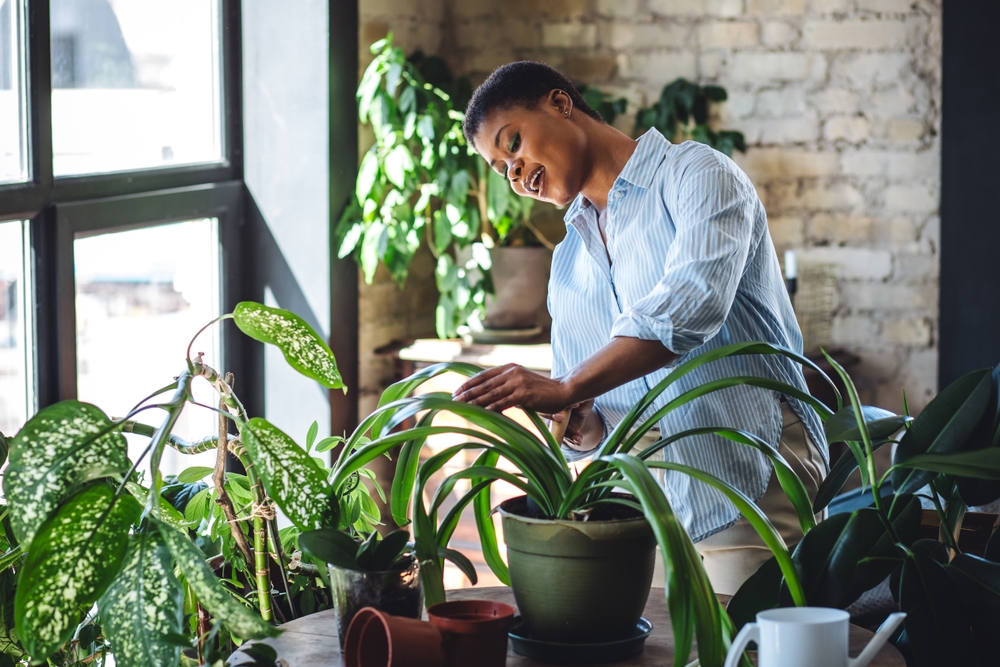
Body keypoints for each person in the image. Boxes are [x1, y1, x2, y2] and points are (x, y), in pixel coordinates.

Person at [451, 61, 829, 595]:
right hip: (640, 506)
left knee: (749, 647)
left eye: (513, 143)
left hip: (744, 468)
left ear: (561, 104)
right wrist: (576, 415)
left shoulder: (697, 174)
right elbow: (597, 421)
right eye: (501, 169)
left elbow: (691, 306)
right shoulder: (568, 263)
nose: (514, 172)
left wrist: (567, 386)